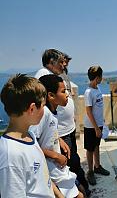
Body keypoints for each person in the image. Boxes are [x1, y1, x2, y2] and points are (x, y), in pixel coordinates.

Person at [35, 49, 91, 197]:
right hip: (60, 136)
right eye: (60, 61)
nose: (64, 64)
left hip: (63, 133)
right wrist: (56, 150)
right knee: (72, 165)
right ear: (50, 62)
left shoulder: (56, 76)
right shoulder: (43, 76)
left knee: (74, 164)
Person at [0, 74, 55, 198]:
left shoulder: (29, 136)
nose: (45, 109)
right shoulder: (11, 155)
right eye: (43, 105)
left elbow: (42, 178)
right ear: (32, 109)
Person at [31, 74, 83, 198]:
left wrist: (58, 139)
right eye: (63, 91)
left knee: (81, 191)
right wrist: (55, 155)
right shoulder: (44, 114)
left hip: (57, 168)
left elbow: (48, 132)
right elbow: (31, 144)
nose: (67, 95)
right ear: (51, 96)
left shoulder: (52, 113)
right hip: (51, 171)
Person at [84, 65, 110, 186]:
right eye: (101, 77)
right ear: (97, 78)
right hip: (91, 127)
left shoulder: (97, 89)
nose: (102, 79)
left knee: (96, 146)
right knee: (90, 149)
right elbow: (89, 112)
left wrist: (101, 122)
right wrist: (95, 128)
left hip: (98, 124)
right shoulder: (88, 92)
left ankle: (97, 166)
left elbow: (98, 107)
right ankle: (90, 171)